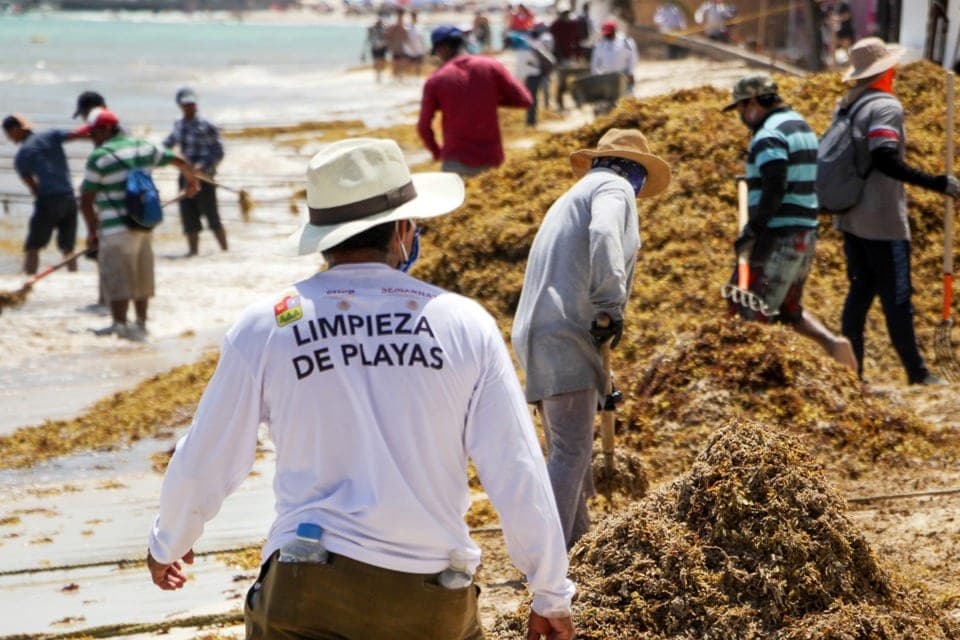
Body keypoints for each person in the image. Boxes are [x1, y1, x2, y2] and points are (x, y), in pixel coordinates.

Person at [145, 137, 577, 640]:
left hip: (306, 590)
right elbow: (516, 468)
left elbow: (209, 453)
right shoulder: (463, 323)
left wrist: (169, 539)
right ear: (401, 230)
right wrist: (549, 590)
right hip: (435, 596)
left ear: (324, 236)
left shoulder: (269, 323)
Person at [512, 128, 671, 548]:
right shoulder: (614, 188)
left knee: (572, 452)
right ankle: (543, 556)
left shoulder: (572, 196)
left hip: (539, 332)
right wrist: (609, 304)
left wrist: (604, 382)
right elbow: (603, 235)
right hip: (563, 333)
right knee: (570, 453)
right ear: (635, 171)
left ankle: (577, 545)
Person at [830, 38, 959, 385]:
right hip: (882, 221)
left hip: (850, 217)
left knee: (859, 291)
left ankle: (851, 373)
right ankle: (917, 373)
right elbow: (884, 157)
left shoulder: (847, 104)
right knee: (898, 297)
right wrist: (938, 183)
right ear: (885, 71)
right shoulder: (885, 107)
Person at [722, 74, 857, 372]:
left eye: (742, 108)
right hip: (804, 232)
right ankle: (832, 344)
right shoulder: (800, 125)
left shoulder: (768, 134)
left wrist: (753, 230)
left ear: (754, 102)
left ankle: (756, 376)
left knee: (748, 308)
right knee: (787, 309)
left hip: (778, 236)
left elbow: (775, 184)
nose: (742, 117)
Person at [79, 109, 199, 341]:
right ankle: (141, 324)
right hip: (143, 225)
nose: (91, 138)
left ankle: (119, 326)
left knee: (118, 277)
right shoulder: (142, 147)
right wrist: (191, 184)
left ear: (105, 130)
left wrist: (92, 231)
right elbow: (180, 161)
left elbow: (86, 200)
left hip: (114, 228)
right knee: (142, 275)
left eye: (93, 133)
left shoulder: (99, 157)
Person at [417, 25, 532, 177]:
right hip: (491, 161)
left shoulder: (436, 80)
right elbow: (525, 100)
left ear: (442, 48)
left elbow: (423, 127)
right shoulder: (491, 66)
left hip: (455, 160)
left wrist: (437, 152)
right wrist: (490, 98)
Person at [2, 114, 85, 275]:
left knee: (33, 247)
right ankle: (74, 278)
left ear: (15, 129)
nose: (9, 137)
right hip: (69, 198)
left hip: (48, 201)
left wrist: (41, 193)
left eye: (8, 133)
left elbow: (33, 187)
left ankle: (28, 279)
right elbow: (78, 134)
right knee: (68, 248)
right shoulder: (51, 135)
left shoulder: (22, 155)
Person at [162, 87, 227, 257]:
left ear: (196, 104)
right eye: (186, 104)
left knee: (212, 216)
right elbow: (167, 145)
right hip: (185, 175)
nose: (189, 107)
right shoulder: (178, 124)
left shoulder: (207, 125)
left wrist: (203, 166)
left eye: (192, 104)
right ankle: (192, 253)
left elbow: (219, 151)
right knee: (188, 216)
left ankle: (225, 251)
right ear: (180, 106)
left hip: (204, 177)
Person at [510, 26, 555, 127]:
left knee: (531, 98)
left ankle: (531, 121)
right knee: (533, 97)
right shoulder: (529, 47)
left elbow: (521, 69)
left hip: (534, 76)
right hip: (536, 74)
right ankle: (531, 120)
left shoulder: (524, 50)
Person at [589, 19, 638, 97]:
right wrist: (596, 76)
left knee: (626, 99)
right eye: (606, 34)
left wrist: (630, 72)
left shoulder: (625, 41)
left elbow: (632, 57)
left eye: (609, 34)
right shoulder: (600, 44)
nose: (607, 36)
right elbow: (595, 62)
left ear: (614, 31)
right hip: (607, 77)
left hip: (623, 75)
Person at [361, 14, 389, 83]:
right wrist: (364, 50)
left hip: (383, 47)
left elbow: (388, 37)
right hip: (375, 47)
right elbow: (368, 38)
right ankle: (377, 76)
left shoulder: (384, 28)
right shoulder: (372, 28)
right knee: (376, 61)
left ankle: (380, 74)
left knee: (382, 62)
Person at [385, 8, 408, 82]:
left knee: (401, 63)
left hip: (402, 47)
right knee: (396, 63)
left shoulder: (404, 24)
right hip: (396, 47)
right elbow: (388, 36)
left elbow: (406, 37)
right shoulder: (394, 25)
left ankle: (400, 78)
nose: (401, 16)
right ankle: (396, 78)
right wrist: (389, 45)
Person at [403, 10, 426, 77]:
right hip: (410, 50)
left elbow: (422, 39)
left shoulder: (420, 27)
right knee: (409, 65)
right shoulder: (407, 27)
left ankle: (417, 78)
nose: (414, 18)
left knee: (418, 65)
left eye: (415, 16)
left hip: (419, 50)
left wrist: (424, 49)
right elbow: (405, 40)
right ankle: (409, 77)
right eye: (413, 16)